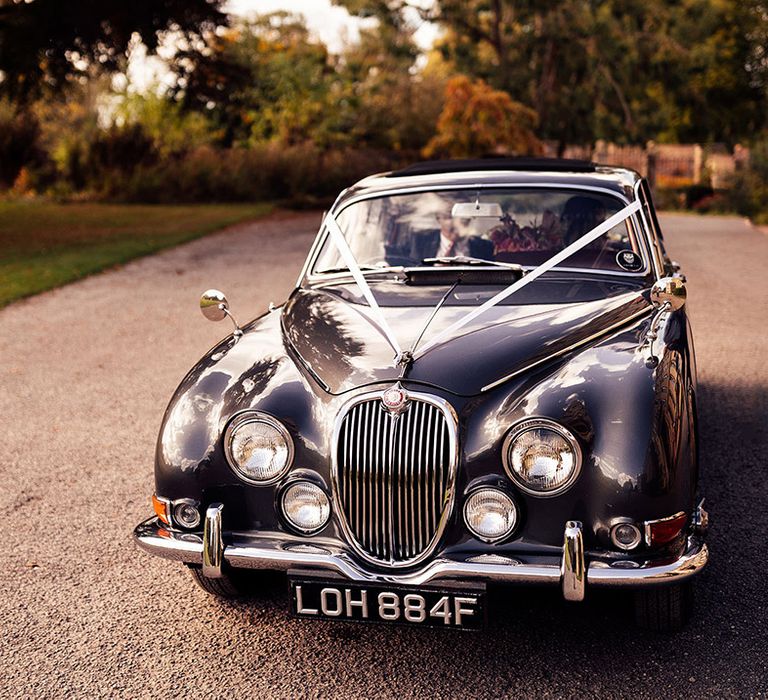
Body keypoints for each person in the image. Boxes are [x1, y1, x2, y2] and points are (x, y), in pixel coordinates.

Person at [410, 212, 494, 262]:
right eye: (449, 217)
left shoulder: (485, 247)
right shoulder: (420, 243)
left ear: (469, 218)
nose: (457, 223)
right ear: (438, 218)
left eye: (462, 216)